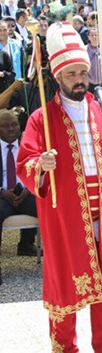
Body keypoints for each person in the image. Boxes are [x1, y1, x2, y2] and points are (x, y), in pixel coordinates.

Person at [17, 22, 102, 353]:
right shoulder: (41, 118)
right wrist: (40, 164)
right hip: (65, 218)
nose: (80, 80)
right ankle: (65, 352)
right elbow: (25, 160)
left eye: (83, 72)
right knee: (66, 290)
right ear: (58, 77)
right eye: (71, 74)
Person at [0, 110, 37, 284]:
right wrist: (1, 191)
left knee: (51, 208)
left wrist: (29, 189)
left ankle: (27, 245)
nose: (11, 129)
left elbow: (39, 171)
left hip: (26, 192)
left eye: (14, 124)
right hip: (2, 196)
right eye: (5, 126)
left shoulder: (28, 145)